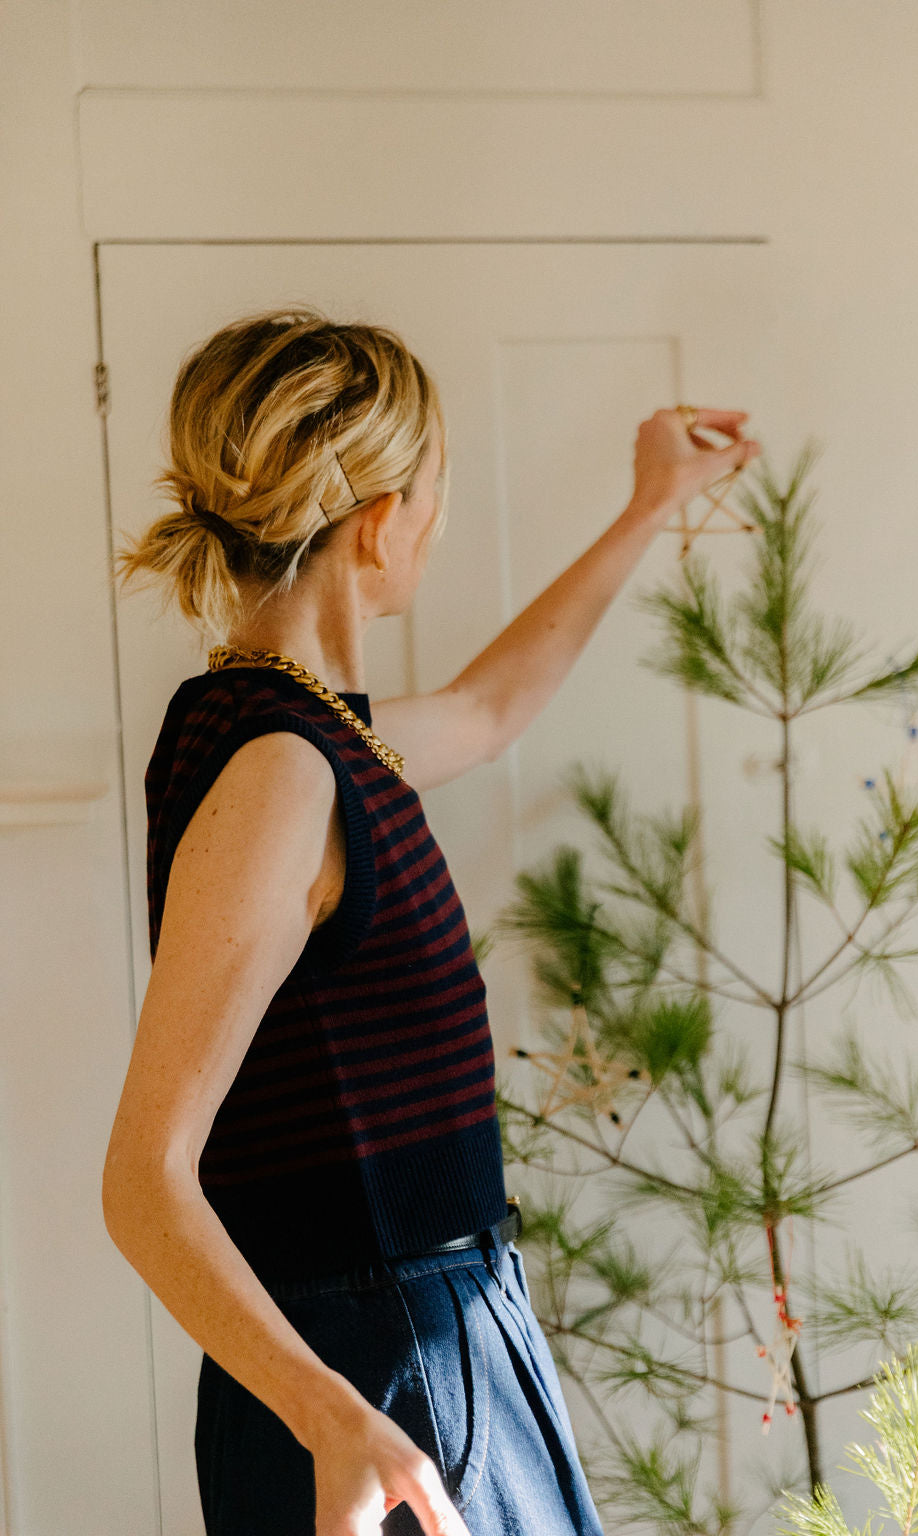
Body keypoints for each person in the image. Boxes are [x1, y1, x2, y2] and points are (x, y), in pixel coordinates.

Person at [102, 306, 760, 1536]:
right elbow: (145, 1179)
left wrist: (648, 501)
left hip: (435, 1337)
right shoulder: (281, 771)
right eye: (434, 495)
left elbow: (491, 702)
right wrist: (331, 1412)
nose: (435, 528)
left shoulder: (314, 736)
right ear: (378, 520)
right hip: (374, 1365)